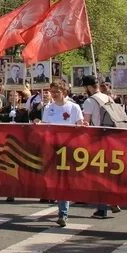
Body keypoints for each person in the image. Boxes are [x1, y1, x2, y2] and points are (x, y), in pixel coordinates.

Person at [41, 80, 86, 225]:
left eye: (57, 92)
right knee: (60, 181)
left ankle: (104, 201)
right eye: (52, 91)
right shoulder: (48, 108)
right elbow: (46, 127)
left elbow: (80, 126)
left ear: (64, 92)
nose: (53, 94)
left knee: (71, 180)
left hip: (71, 149)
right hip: (54, 149)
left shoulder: (73, 107)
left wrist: (83, 126)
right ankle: (63, 212)